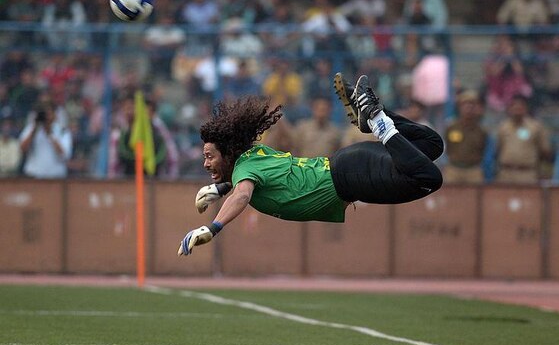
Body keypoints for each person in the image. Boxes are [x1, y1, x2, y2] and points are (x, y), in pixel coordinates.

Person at [178, 74, 443, 256]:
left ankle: (377, 120)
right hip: (349, 163)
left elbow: (243, 194)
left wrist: (213, 227)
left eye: (210, 156)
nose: (205, 163)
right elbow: (253, 182)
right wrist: (222, 187)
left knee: (429, 178)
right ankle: (374, 118)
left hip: (352, 177)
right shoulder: (253, 155)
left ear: (228, 153)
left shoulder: (245, 172)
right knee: (432, 144)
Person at [19, 102, 73, 179]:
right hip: (33, 176)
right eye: (44, 115)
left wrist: (50, 134)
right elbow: (22, 149)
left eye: (49, 114)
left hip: (56, 177)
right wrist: (34, 130)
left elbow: (64, 154)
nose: (46, 118)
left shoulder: (62, 130)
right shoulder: (31, 129)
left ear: (54, 115)